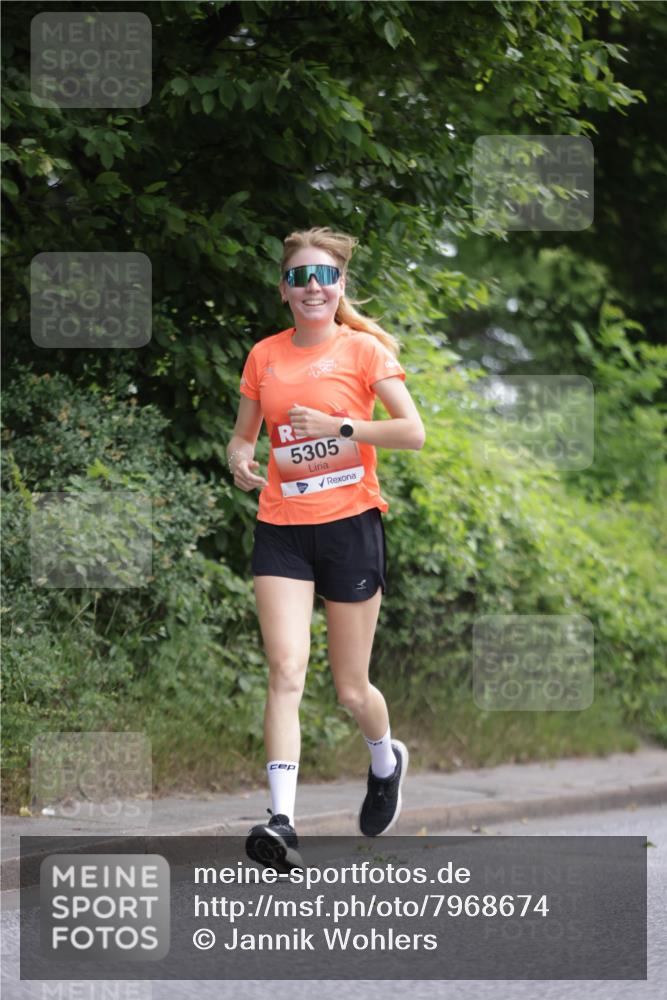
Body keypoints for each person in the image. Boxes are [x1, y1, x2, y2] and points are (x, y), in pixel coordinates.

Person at [226, 226, 425, 873]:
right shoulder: (263, 356)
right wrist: (241, 460)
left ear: (338, 285)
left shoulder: (363, 351)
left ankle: (383, 758)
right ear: (282, 289)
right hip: (281, 527)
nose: (311, 287)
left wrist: (341, 426)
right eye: (298, 277)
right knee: (285, 671)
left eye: (323, 277)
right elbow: (242, 438)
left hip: (349, 526)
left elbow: (411, 432)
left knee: (348, 689)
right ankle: (280, 821)